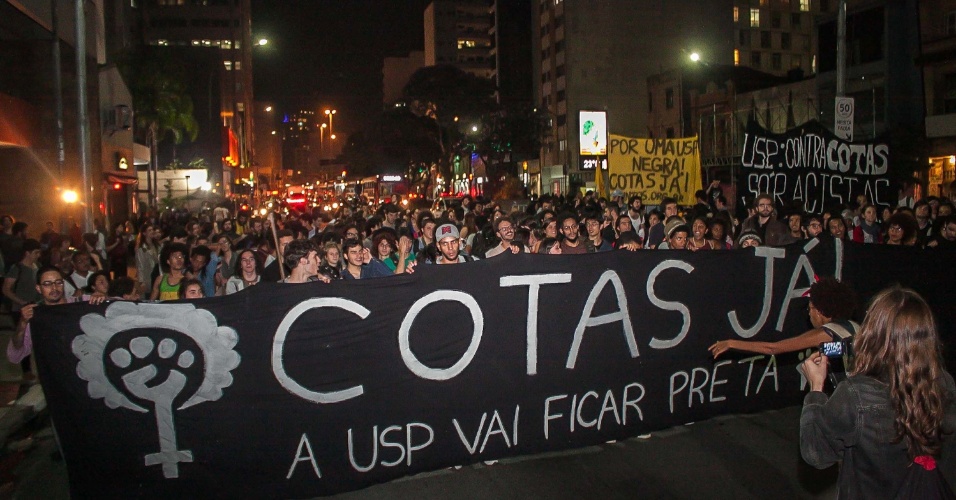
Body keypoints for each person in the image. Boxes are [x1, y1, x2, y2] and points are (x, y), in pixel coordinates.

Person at [800, 286, 956, 497]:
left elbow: (816, 453)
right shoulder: (944, 383)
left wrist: (816, 389)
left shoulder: (855, 395)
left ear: (873, 333)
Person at [709, 277, 858, 358]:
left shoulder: (825, 334)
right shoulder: (854, 327)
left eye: (810, 308)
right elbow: (843, 351)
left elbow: (773, 348)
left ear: (819, 310)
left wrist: (731, 343)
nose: (809, 313)